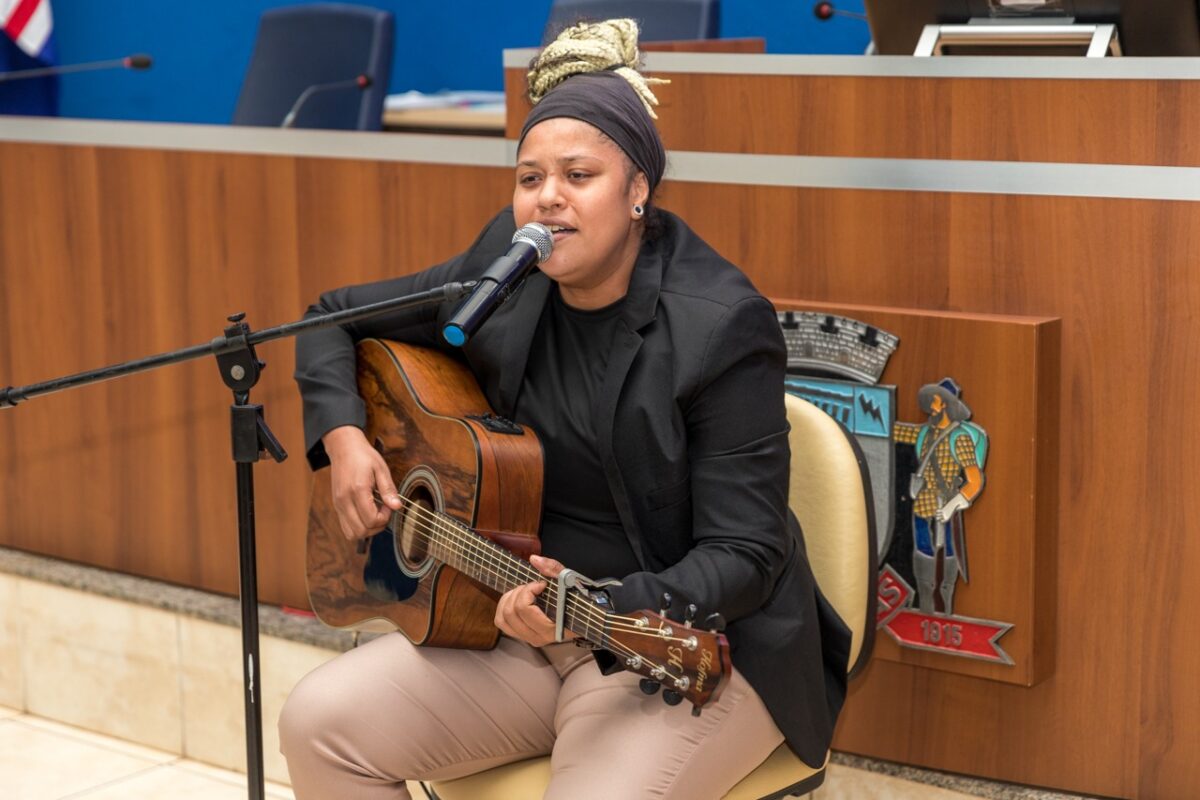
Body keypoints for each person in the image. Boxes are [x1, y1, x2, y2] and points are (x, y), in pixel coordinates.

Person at [280, 19, 850, 800]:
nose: (547, 199)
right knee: (320, 722)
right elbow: (330, 318)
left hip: (687, 648)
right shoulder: (505, 271)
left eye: (578, 175)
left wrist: (592, 609)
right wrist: (344, 440)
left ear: (639, 190)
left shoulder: (718, 325)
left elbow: (746, 555)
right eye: (529, 178)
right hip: (518, 631)